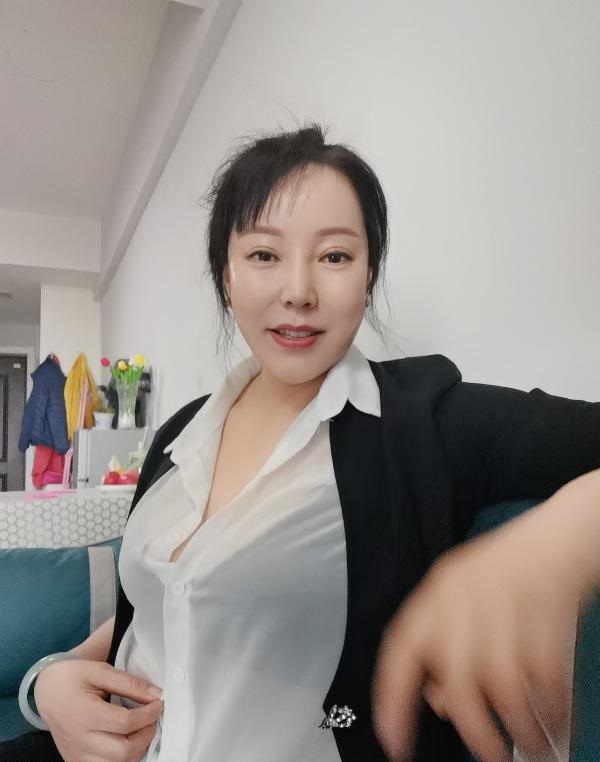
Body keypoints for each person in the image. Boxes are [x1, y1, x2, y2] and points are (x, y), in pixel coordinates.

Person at [3, 124, 600, 762]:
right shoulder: (179, 433)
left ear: (368, 274)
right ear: (226, 277)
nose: (298, 292)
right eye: (264, 255)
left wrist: (559, 539)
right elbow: (164, 604)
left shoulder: (428, 419)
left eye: (334, 257)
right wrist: (48, 682)